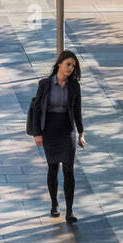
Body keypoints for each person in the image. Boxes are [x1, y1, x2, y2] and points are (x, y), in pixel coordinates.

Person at [27, 50, 86, 223]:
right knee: (53, 168)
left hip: (67, 130)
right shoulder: (45, 84)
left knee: (69, 170)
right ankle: (54, 205)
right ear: (59, 63)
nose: (70, 68)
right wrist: (37, 133)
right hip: (50, 130)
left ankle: (69, 211)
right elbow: (37, 109)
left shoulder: (74, 86)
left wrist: (81, 132)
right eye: (68, 64)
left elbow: (77, 110)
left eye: (73, 66)